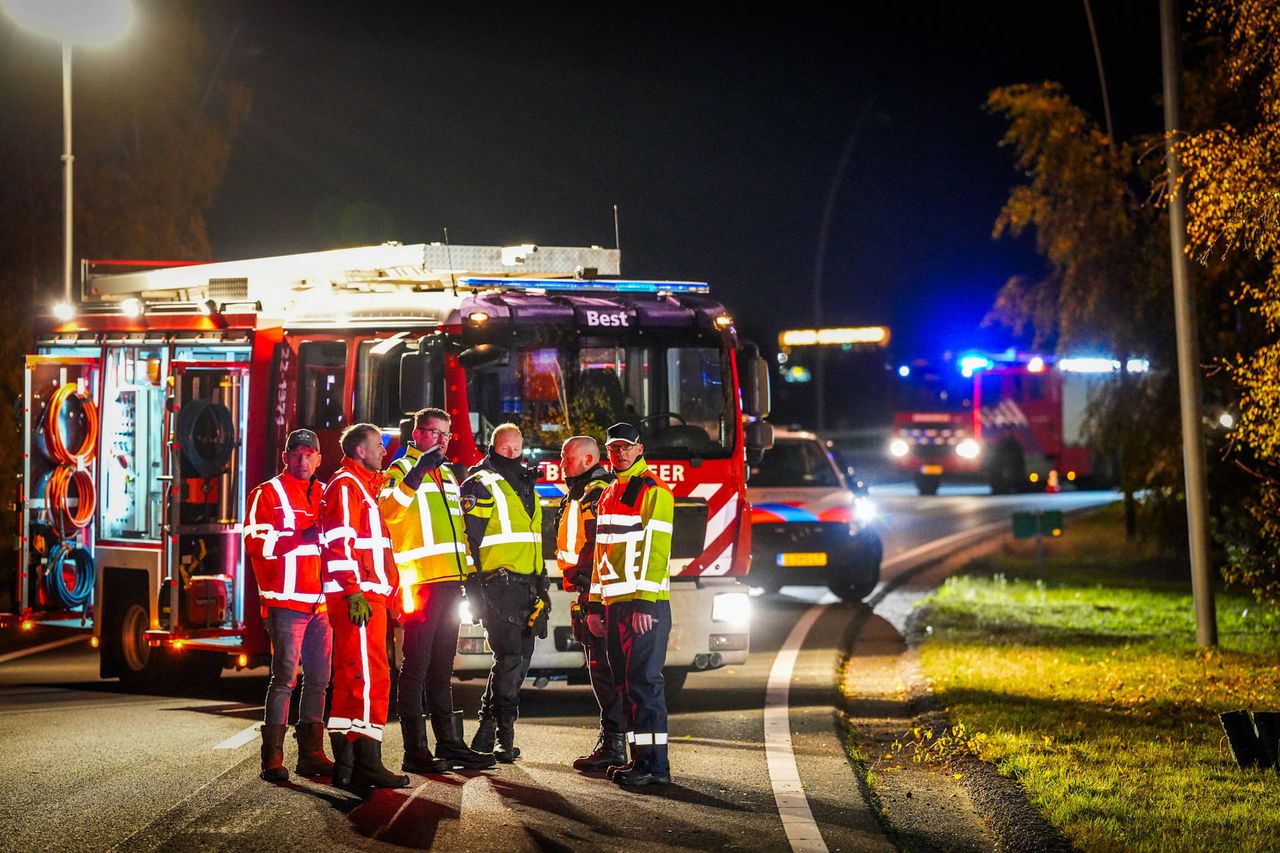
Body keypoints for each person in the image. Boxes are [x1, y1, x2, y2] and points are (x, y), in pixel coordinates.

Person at [380, 407, 496, 773]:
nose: (442, 441)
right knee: (415, 666)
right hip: (420, 585)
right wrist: (416, 472)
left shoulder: (447, 473)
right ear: (416, 434)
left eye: (447, 435)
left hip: (449, 585)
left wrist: (470, 579)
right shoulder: (399, 471)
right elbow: (388, 513)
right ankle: (415, 751)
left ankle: (449, 744)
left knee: (442, 666)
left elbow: (457, 533)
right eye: (435, 433)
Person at [319, 423, 409, 789]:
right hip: (358, 598)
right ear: (359, 450)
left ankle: (349, 765)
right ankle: (365, 762)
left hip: (366, 596)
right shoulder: (346, 486)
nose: (383, 452)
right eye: (378, 445)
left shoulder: (361, 488)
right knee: (370, 678)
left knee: (354, 678)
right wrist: (353, 590)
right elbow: (338, 542)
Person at [587, 422, 675, 787]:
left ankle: (656, 766)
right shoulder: (610, 490)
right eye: (613, 447)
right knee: (626, 685)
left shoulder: (653, 491)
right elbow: (601, 553)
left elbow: (656, 551)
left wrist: (645, 604)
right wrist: (594, 603)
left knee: (644, 683)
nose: (619, 453)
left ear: (640, 449)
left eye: (626, 447)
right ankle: (639, 761)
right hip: (615, 604)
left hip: (642, 606)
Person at [243, 428, 333, 782]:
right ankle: (273, 759)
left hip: (321, 605)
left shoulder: (325, 493)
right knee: (284, 679)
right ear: (285, 457)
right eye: (296, 453)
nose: (302, 459)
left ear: (318, 459)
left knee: (320, 680)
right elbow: (256, 542)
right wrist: (301, 536)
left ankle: (311, 754)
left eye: (309, 454)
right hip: (287, 604)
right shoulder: (268, 492)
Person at [460, 422, 547, 763]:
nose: (512, 454)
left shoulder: (527, 485)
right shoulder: (479, 484)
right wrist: (475, 589)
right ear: (493, 447)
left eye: (517, 449)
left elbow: (534, 539)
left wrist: (543, 583)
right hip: (498, 586)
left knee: (519, 661)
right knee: (510, 659)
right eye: (505, 448)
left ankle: (486, 734)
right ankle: (503, 739)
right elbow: (470, 539)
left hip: (529, 586)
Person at [555, 435, 623, 772]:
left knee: (604, 670)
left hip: (598, 594)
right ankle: (617, 743)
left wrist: (594, 599)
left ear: (587, 459)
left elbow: (600, 548)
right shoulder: (581, 490)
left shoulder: (594, 492)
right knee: (603, 669)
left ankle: (614, 744)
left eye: (566, 456)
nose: (561, 462)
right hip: (590, 591)